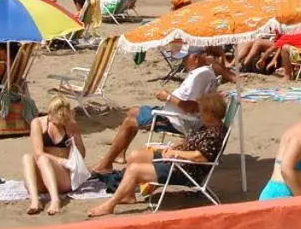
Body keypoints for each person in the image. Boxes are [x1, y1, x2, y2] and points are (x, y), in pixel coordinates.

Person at [87, 92, 228, 218]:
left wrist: (174, 153)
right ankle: (129, 195)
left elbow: (200, 157)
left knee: (135, 170)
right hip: (177, 161)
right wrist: (178, 145)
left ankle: (109, 205)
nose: (199, 114)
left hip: (184, 170)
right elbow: (195, 144)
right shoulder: (209, 127)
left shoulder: (214, 134)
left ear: (211, 114)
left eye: (202, 111)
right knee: (135, 155)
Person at [90, 50, 231, 173]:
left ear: (195, 58)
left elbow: (191, 107)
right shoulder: (206, 72)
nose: (183, 62)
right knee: (133, 111)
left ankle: (106, 164)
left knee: (130, 121)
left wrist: (167, 97)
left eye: (185, 58)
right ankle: (119, 154)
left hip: (178, 120)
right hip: (178, 116)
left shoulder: (199, 76)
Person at [20, 97, 86, 216]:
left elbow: (82, 155)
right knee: (27, 157)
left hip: (63, 177)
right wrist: (61, 160)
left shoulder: (70, 125)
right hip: (44, 177)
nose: (60, 124)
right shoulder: (38, 123)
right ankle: (35, 200)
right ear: (50, 113)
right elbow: (38, 152)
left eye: (63, 122)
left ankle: (55, 200)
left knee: (43, 159)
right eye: (58, 121)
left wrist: (75, 140)